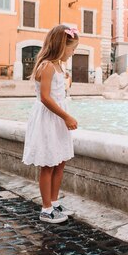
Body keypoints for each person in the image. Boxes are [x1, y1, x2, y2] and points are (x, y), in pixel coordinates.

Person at [22, 25, 79, 224]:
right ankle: (46, 209)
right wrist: (66, 117)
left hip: (57, 119)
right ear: (61, 46)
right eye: (72, 49)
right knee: (48, 164)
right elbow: (46, 98)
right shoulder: (46, 66)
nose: (72, 53)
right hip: (49, 118)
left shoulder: (58, 66)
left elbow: (57, 92)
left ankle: (54, 203)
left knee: (59, 160)